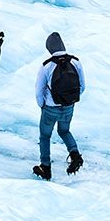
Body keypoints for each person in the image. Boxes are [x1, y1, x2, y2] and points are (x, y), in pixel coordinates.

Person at [33, 31, 84, 179]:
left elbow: (39, 90)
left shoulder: (47, 66)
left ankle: (45, 167)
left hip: (50, 108)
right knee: (64, 131)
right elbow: (83, 86)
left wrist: (42, 105)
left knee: (45, 136)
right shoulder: (75, 62)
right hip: (69, 106)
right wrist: (71, 100)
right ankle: (75, 155)